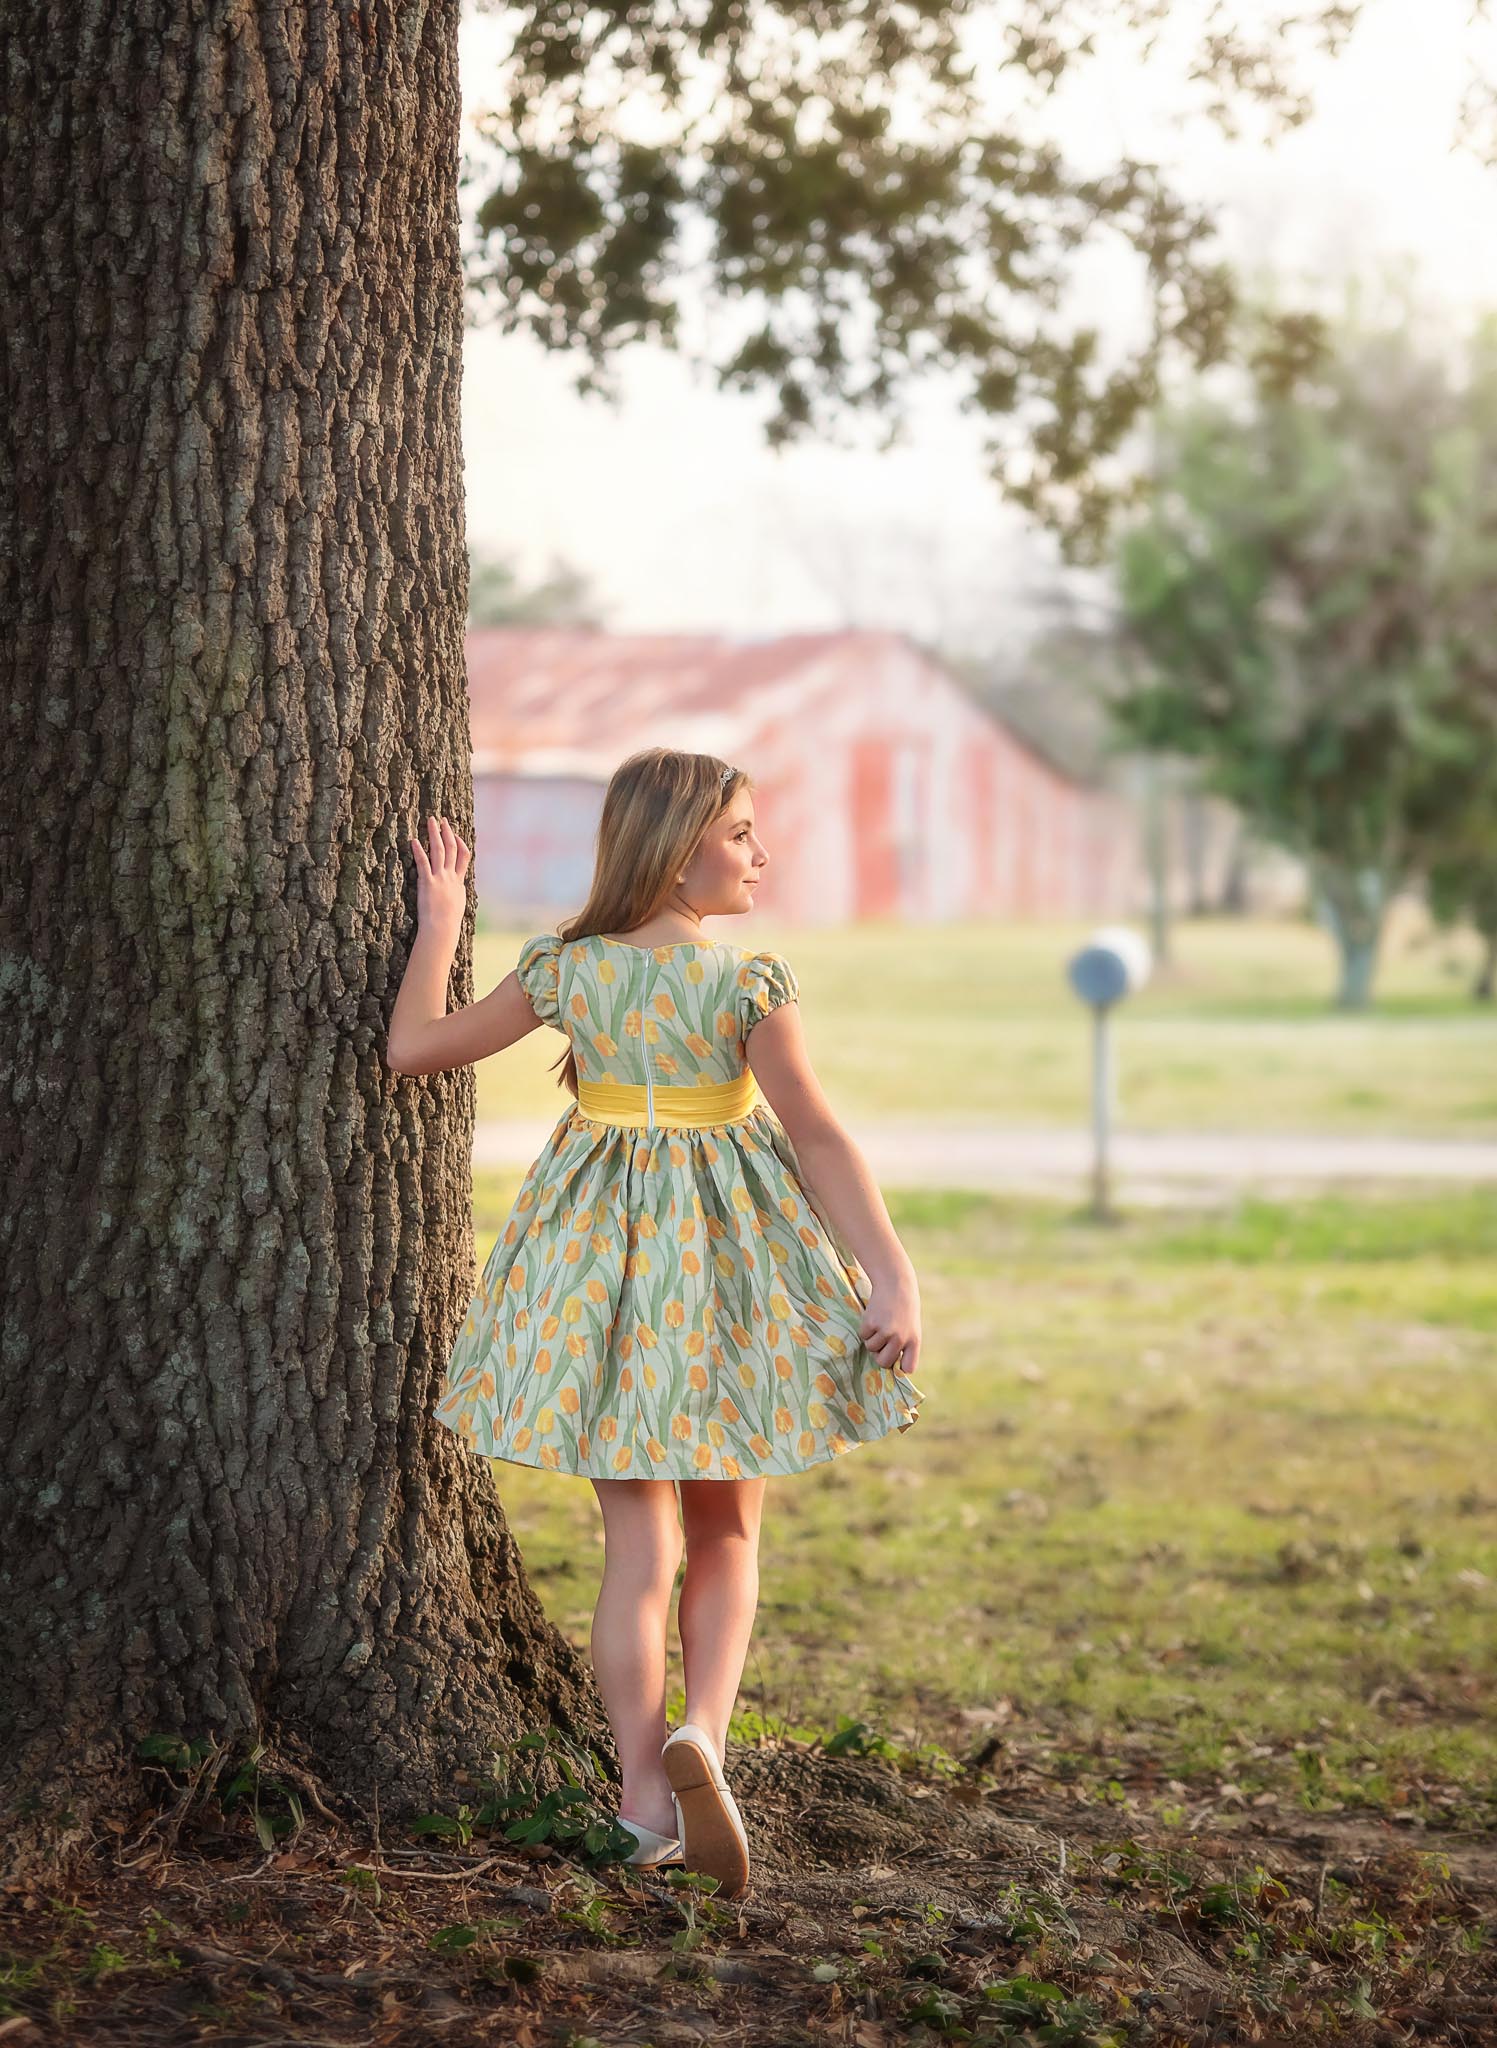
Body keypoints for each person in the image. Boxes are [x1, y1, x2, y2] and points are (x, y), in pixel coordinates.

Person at [387, 748, 927, 1898]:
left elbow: (412, 1050)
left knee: (637, 1552)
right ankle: (705, 1737)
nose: (760, 853)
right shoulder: (746, 982)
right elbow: (819, 1135)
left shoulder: (568, 968)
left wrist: (440, 925)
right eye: (740, 833)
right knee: (726, 1531)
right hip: (728, 1276)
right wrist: (891, 1273)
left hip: (602, 1285)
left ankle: (642, 1798)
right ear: (679, 852)